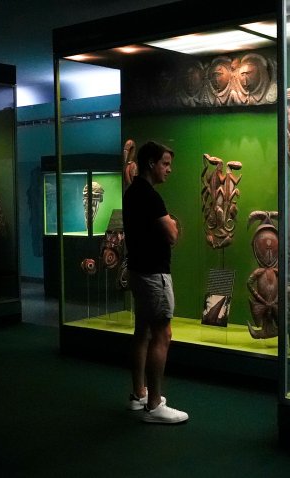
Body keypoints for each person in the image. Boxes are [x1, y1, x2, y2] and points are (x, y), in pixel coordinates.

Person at [122, 140, 188, 424]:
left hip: (138, 271)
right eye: (165, 164)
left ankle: (139, 393)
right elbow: (172, 234)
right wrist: (172, 224)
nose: (169, 170)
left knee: (143, 332)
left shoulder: (132, 192)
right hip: (154, 275)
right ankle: (154, 404)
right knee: (163, 333)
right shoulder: (150, 196)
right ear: (151, 163)